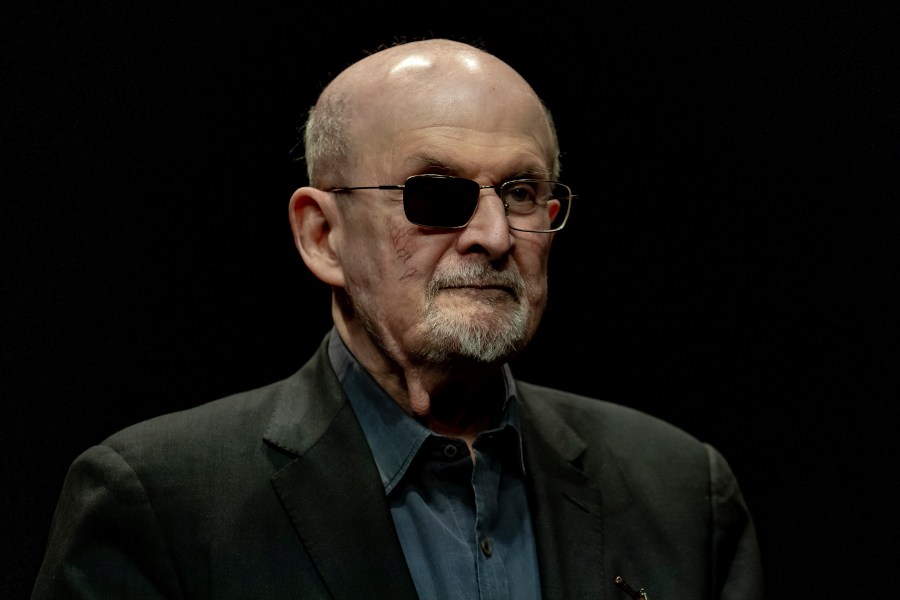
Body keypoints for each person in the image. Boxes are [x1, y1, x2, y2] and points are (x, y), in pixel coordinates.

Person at [32, 38, 764, 599]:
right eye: (434, 194)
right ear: (323, 236)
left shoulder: (680, 492)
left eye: (519, 192)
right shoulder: (160, 505)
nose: (494, 236)